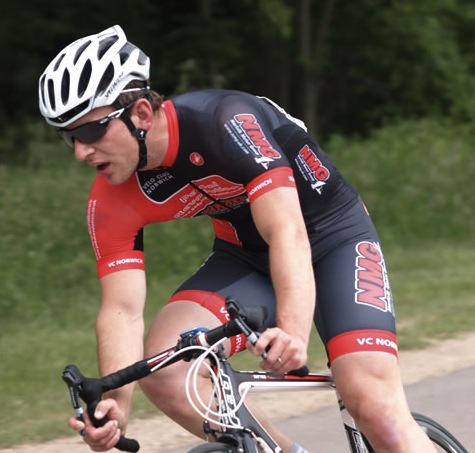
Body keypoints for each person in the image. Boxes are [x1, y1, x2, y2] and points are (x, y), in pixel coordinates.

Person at [38, 25, 436, 453]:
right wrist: (116, 405)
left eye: (91, 132)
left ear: (141, 114)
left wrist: (293, 334)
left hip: (335, 239)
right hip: (246, 257)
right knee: (169, 370)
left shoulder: (225, 122)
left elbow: (287, 230)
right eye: (69, 137)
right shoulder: (110, 199)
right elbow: (121, 309)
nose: (80, 152)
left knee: (376, 411)